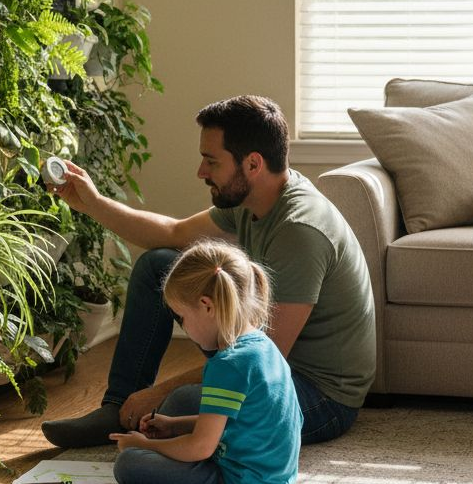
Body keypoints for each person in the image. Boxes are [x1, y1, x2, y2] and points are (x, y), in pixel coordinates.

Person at [41, 95, 375, 448]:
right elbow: (171, 233)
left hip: (320, 395)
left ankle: (146, 427)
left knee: (179, 404)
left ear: (253, 164)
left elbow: (261, 354)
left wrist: (159, 392)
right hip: (270, 362)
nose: (201, 172)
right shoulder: (256, 198)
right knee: (160, 266)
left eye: (211, 162)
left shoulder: (299, 230)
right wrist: (91, 203)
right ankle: (117, 408)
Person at [91, 239, 301, 484]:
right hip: (275, 481)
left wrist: (147, 445)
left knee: (129, 463)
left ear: (206, 305)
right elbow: (238, 420)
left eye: (182, 317)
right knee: (180, 403)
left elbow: (201, 447)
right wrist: (175, 425)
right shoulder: (261, 344)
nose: (185, 327)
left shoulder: (227, 364)